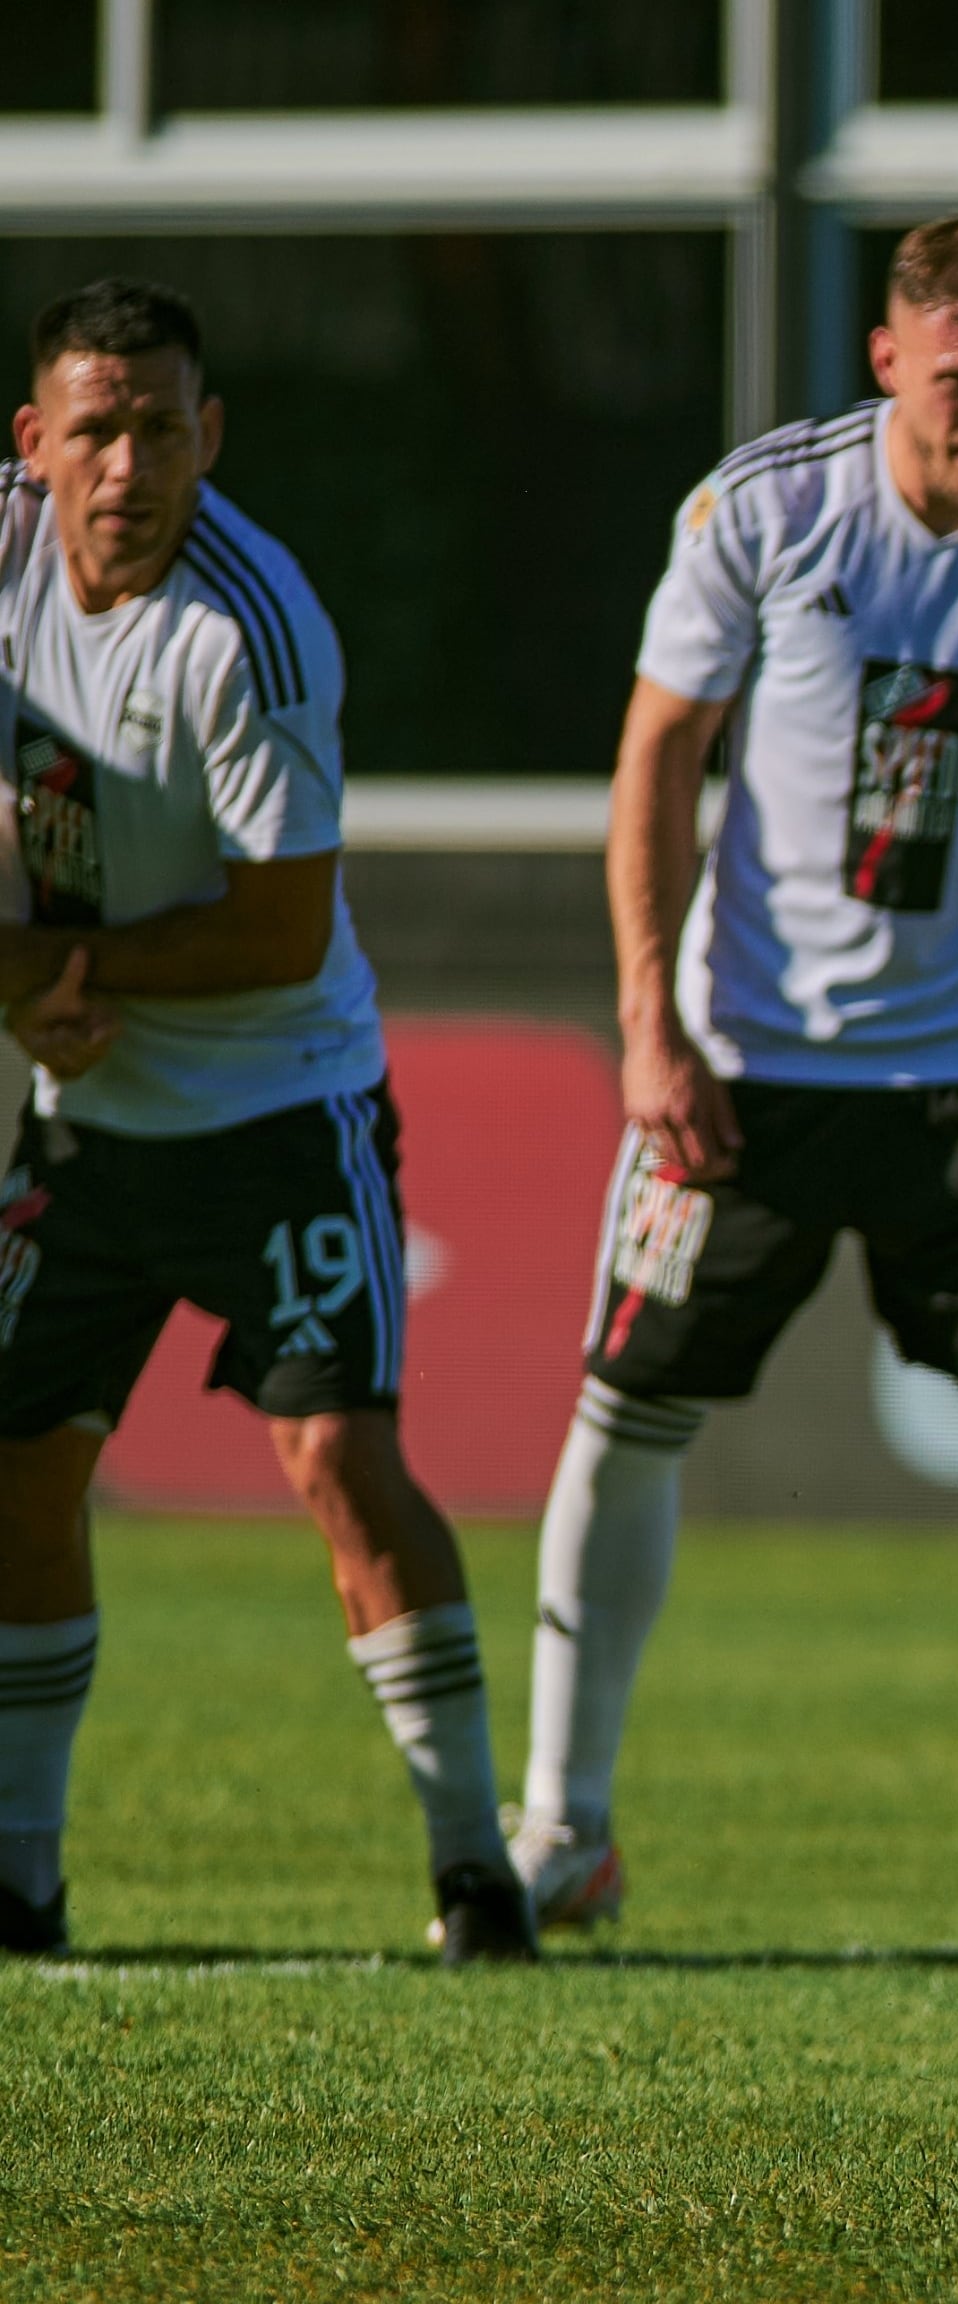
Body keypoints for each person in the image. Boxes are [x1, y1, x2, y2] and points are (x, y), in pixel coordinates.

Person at [509, 214, 958, 1957]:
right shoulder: (762, 509)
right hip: (744, 1064)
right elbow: (657, 761)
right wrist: (645, 1022)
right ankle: (562, 1824)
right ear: (891, 356)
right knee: (625, 1417)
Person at [0, 279, 534, 1961]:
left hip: (276, 1103)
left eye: (164, 426)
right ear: (34, 445)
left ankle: (475, 1871)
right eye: (97, 425)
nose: (130, 462)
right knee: (19, 1469)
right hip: (81, 1118)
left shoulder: (251, 626)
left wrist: (55, 968)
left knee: (339, 1459)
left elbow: (278, 929)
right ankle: (22, 1879)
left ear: (209, 438)